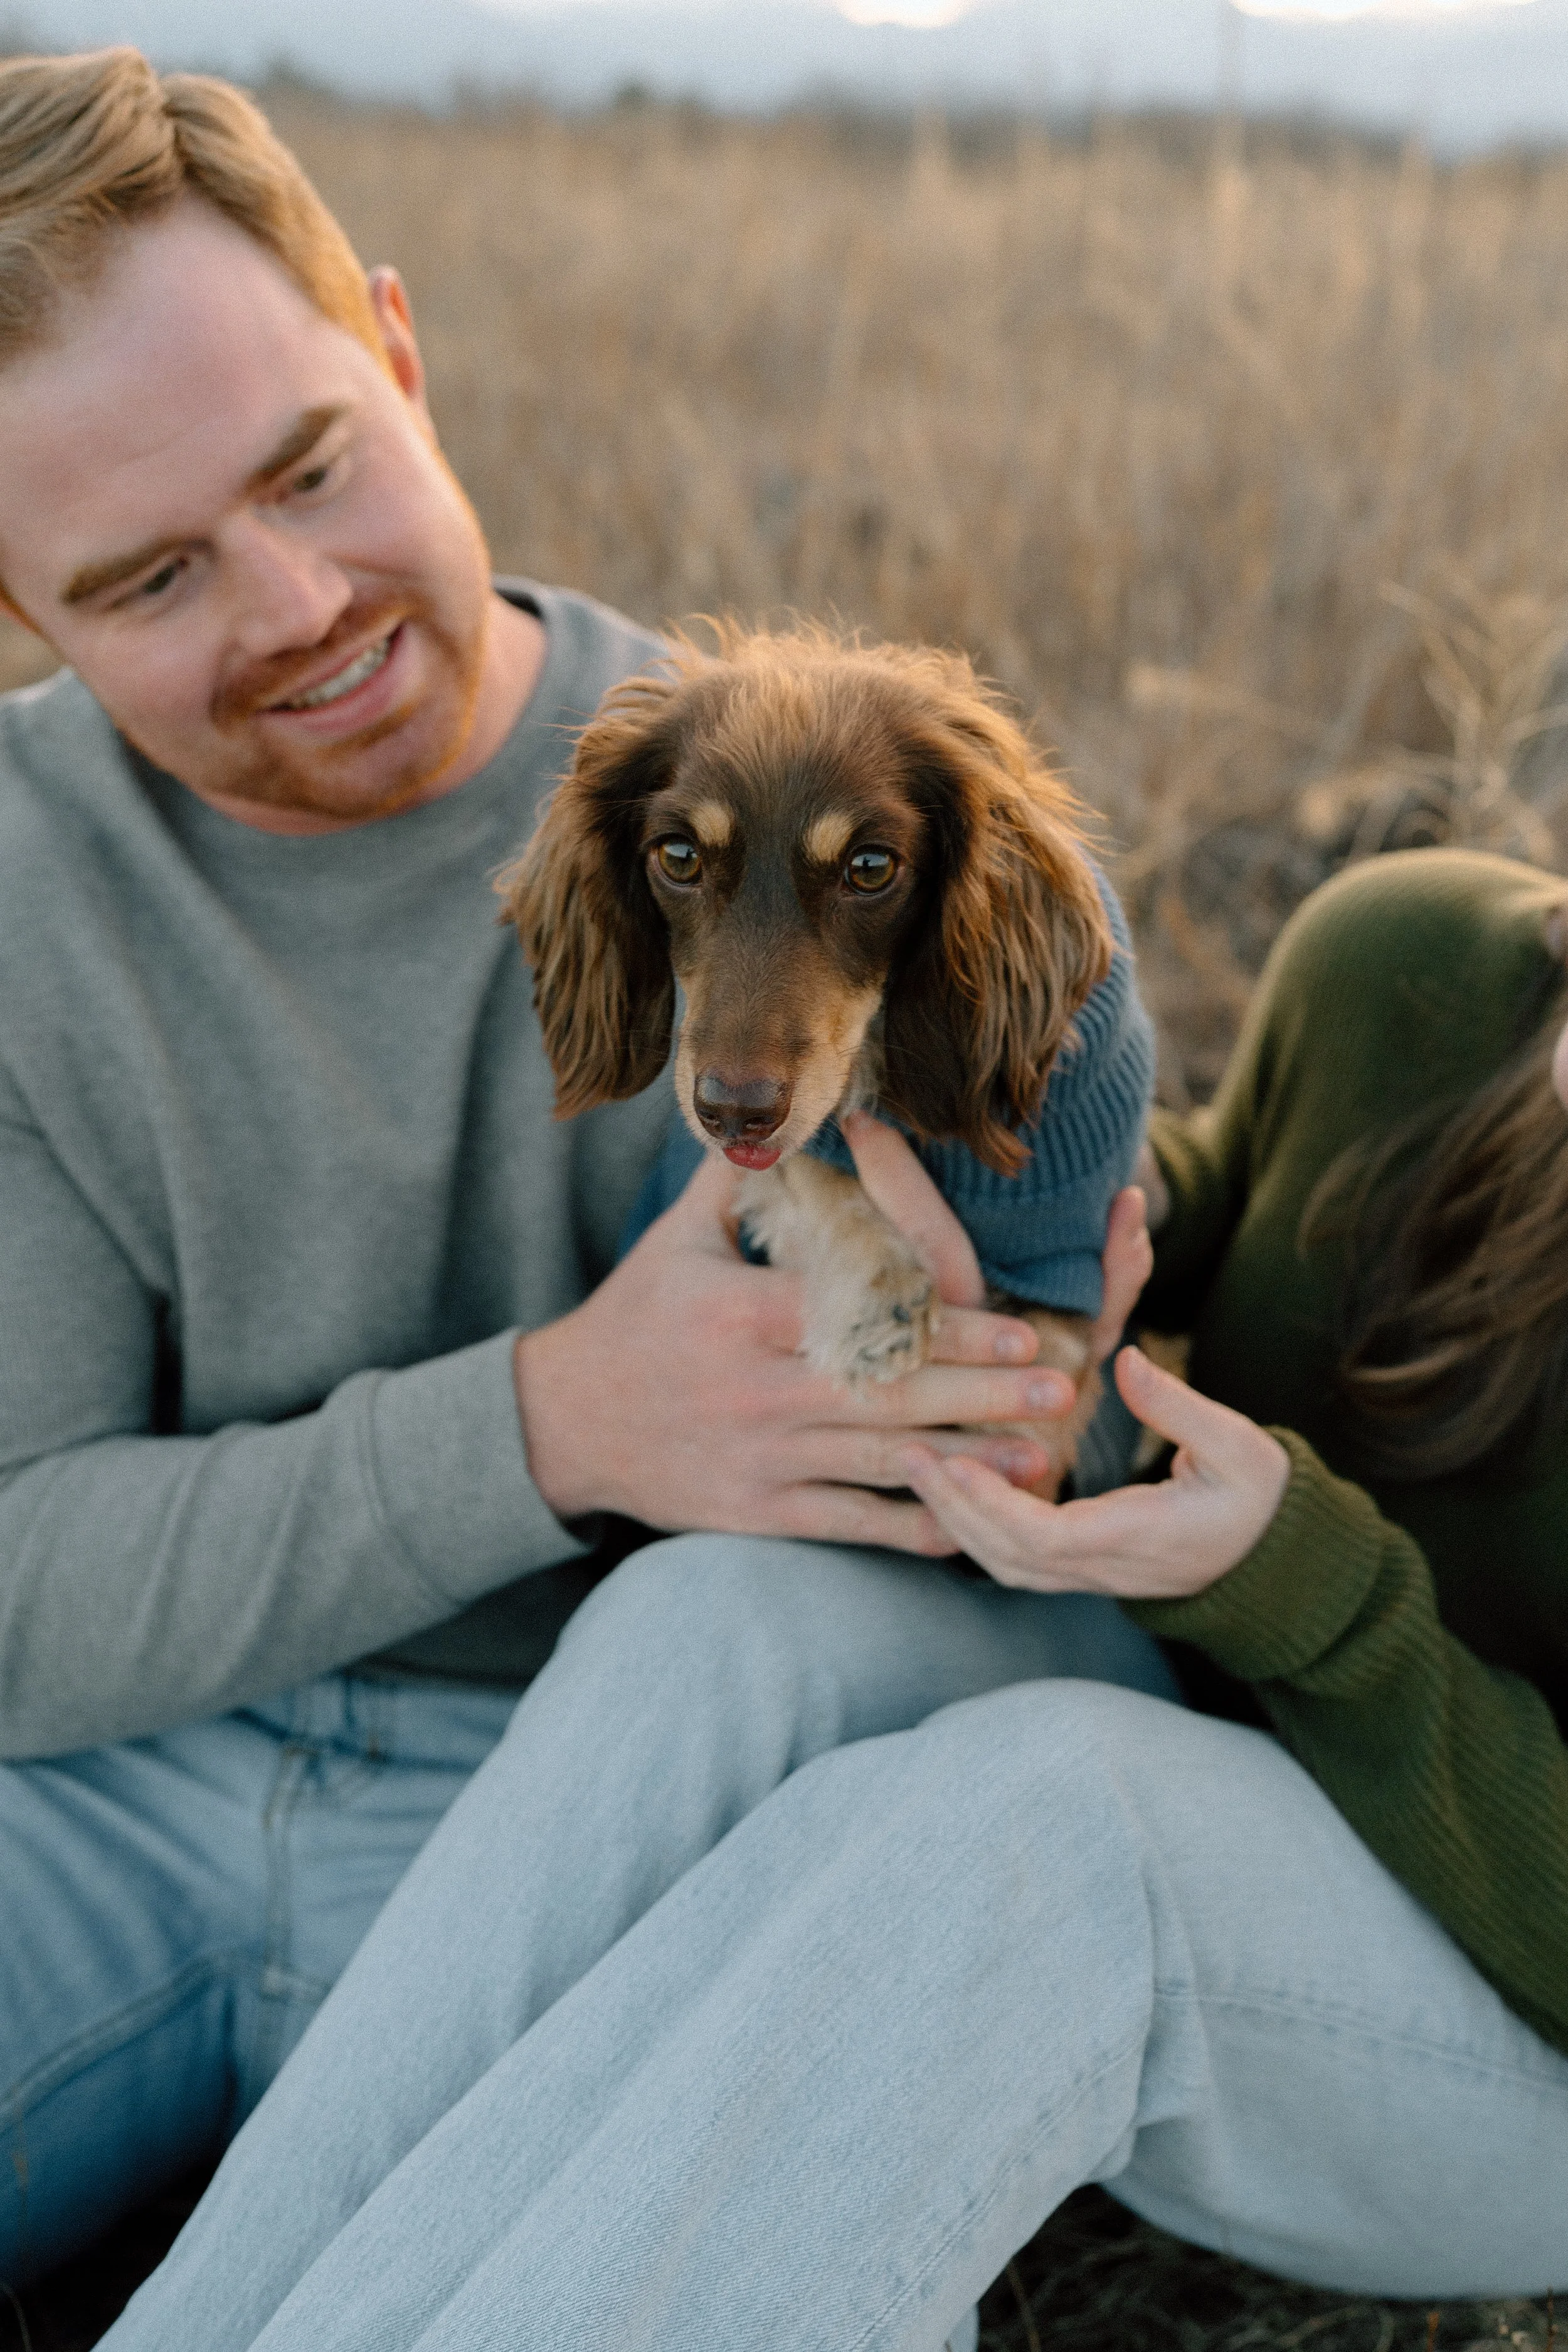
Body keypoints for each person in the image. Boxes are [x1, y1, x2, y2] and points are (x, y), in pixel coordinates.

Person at [0, 48, 1144, 2290]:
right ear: (18, 614)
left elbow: (1043, 1412)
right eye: (145, 580)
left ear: (402, 353)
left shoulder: (788, 834)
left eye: (314, 469)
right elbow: (25, 1603)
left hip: (611, 1822)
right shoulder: (23, 898)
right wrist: (553, 1428)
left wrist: (1026, 1392)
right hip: (104, 1792)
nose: (296, 607)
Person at [95, 846, 1568, 2352]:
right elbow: (1216, 1186)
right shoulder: (1420, 956)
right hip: (1249, 1747)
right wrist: (1023, 1250)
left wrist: (1308, 1595)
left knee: (1047, 1817)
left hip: (1513, 2035)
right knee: (720, 1615)